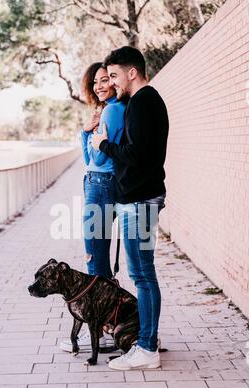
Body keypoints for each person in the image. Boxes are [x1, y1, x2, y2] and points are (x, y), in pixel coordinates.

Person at [92, 46, 169, 370]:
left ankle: (147, 348)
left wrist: (103, 145)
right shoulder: (143, 101)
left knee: (142, 275)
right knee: (142, 274)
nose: (112, 83)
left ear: (132, 72)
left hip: (139, 200)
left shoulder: (142, 102)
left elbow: (136, 155)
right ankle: (146, 343)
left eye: (114, 75)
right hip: (139, 199)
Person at [60, 62, 126, 353]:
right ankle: (109, 325)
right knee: (98, 254)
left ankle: (98, 328)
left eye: (105, 80)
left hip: (100, 183)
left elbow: (96, 159)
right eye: (96, 82)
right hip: (101, 184)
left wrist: (86, 133)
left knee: (94, 257)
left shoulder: (111, 111)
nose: (100, 86)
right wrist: (88, 133)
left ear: (115, 81)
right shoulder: (114, 109)